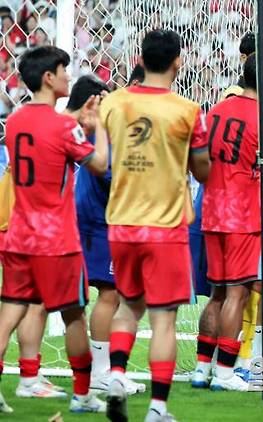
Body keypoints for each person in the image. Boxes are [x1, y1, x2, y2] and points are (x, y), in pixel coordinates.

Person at [102, 30, 210, 422]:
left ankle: (115, 376)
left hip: (120, 223)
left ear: (141, 59)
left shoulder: (113, 102)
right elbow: (202, 169)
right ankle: (158, 408)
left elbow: (102, 159)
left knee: (128, 306)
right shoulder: (187, 110)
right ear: (178, 61)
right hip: (164, 227)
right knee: (163, 319)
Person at [0, 45, 108, 414]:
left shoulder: (14, 120)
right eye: (64, 70)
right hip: (56, 240)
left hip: (19, 234)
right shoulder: (64, 126)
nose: (68, 76)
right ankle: (83, 394)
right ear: (49, 77)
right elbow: (99, 164)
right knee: (74, 313)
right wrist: (100, 128)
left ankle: (23, 381)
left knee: (10, 312)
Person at [194, 52, 263, 392]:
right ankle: (225, 374)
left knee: (217, 295)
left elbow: (201, 156)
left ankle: (201, 369)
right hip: (243, 215)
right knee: (237, 295)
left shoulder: (217, 109)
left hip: (211, 210)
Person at [67, 75, 147, 396]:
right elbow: (113, 176)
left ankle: (101, 371)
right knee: (110, 293)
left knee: (107, 295)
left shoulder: (113, 130)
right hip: (98, 223)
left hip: (92, 219)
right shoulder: (111, 132)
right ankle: (101, 372)